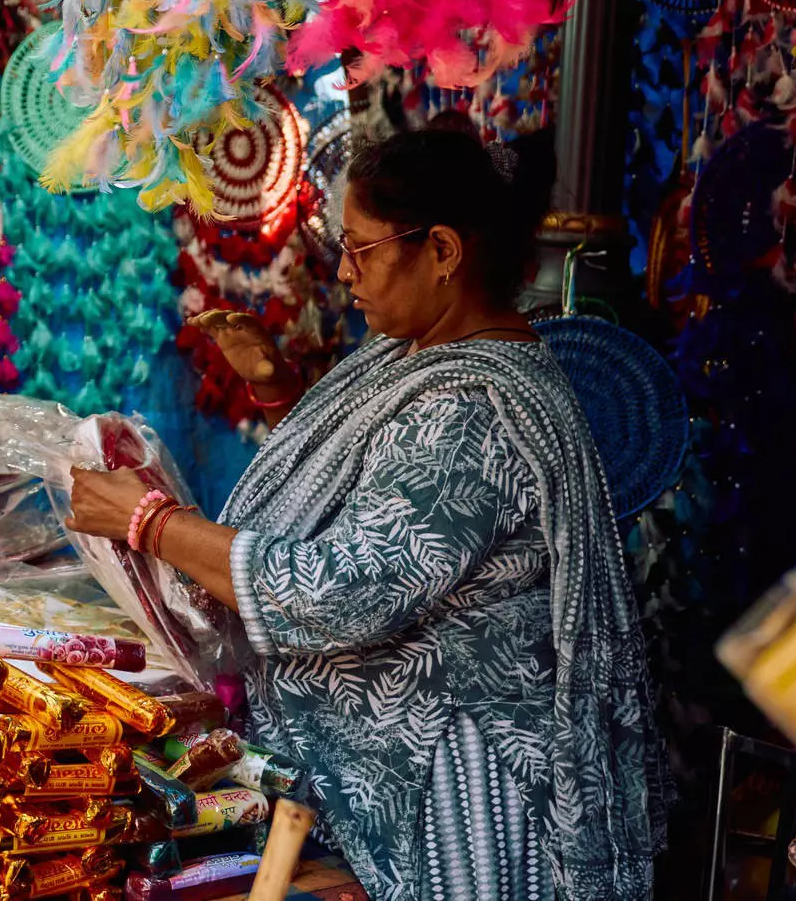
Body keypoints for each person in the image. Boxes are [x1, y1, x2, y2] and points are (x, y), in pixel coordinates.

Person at [67, 122, 662, 901]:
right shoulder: (417, 351)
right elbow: (378, 490)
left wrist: (149, 521)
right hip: (402, 772)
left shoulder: (476, 410)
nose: (346, 271)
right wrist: (277, 387)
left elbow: (343, 589)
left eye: (362, 249)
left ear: (443, 251)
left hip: (463, 791)